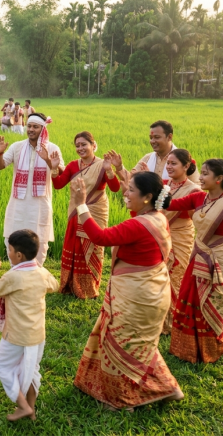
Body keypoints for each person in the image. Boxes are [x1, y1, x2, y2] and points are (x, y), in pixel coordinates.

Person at [71, 171, 184, 411]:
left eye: (131, 189)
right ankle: (168, 387)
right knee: (140, 343)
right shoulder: (158, 217)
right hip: (152, 292)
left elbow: (100, 237)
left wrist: (81, 205)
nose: (126, 192)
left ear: (148, 197)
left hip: (136, 295)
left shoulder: (138, 225)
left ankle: (122, 400)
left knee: (122, 342)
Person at [167, 160, 223, 364]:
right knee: (190, 295)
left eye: (205, 174)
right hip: (199, 253)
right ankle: (187, 348)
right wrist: (153, 187)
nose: (200, 177)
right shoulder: (199, 197)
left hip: (219, 257)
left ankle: (210, 348)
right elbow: (171, 204)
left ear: (219, 179)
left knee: (213, 300)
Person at [0, 230, 59, 421]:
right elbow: (55, 285)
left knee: (1, 366)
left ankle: (23, 406)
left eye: (9, 250)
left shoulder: (12, 277)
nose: (8, 253)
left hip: (16, 336)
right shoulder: (42, 272)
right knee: (32, 370)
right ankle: (31, 410)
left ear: (18, 255)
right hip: (37, 334)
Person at [49, 132, 121, 299]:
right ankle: (71, 285)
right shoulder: (73, 165)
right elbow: (59, 184)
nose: (80, 148)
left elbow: (115, 188)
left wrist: (109, 170)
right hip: (76, 210)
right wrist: (53, 167)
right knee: (75, 246)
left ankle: (89, 288)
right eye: (77, 145)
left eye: (84, 144)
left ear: (93, 145)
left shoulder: (102, 165)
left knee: (93, 246)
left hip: (95, 210)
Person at [0, 113, 64, 266]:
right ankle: (16, 270)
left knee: (40, 238)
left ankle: (36, 272)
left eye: (35, 127)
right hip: (18, 203)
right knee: (13, 237)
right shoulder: (17, 147)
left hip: (40, 204)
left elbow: (62, 175)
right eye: (29, 126)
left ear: (43, 129)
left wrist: (47, 159)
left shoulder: (52, 148)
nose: (31, 129)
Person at [158, 149, 201, 333]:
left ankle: (169, 323)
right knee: (158, 278)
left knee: (174, 278)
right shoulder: (164, 185)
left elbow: (196, 218)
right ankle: (155, 320)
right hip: (160, 236)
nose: (169, 166)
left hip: (180, 237)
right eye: (168, 163)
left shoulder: (194, 190)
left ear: (186, 166)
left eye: (173, 163)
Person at [132, 120, 199, 184]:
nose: (152, 141)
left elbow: (197, 187)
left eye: (157, 137)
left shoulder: (183, 159)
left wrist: (149, 178)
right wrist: (121, 168)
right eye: (151, 138)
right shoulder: (147, 158)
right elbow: (131, 179)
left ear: (169, 137)